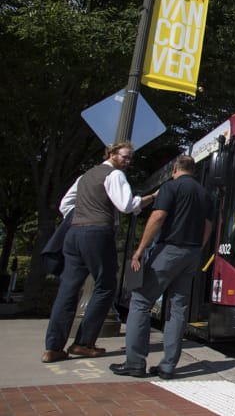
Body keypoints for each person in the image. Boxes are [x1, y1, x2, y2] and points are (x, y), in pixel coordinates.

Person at [42, 142, 155, 363]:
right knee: (105, 286)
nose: (128, 161)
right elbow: (127, 205)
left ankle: (53, 347)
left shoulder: (84, 177)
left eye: (131, 158)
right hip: (98, 234)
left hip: (73, 235)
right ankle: (83, 343)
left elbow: (65, 205)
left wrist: (81, 218)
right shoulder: (115, 175)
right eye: (125, 157)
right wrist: (150, 198)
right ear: (112, 154)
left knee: (67, 289)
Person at [110, 155, 213, 379]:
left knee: (140, 301)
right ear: (194, 171)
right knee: (178, 310)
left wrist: (140, 249)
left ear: (175, 168)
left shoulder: (171, 187)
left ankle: (135, 362)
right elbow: (208, 226)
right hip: (191, 254)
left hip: (169, 250)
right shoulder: (205, 194)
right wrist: (197, 250)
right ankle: (168, 366)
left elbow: (157, 217)